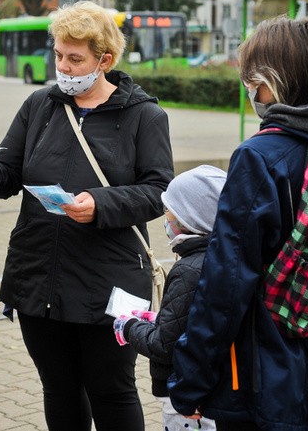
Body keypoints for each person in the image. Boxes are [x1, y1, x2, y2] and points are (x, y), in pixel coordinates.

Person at [0, 0, 174, 430]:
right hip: (40, 275)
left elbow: (159, 191)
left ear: (105, 60)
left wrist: (100, 204)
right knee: (58, 388)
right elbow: (9, 173)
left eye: (75, 58)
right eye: (59, 54)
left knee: (111, 389)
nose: (63, 65)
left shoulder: (144, 116)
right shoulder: (40, 105)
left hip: (109, 282)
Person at [170, 16, 308, 430]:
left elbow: (227, 281)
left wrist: (190, 381)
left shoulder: (260, 157)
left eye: (252, 80)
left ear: (273, 81)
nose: (250, 90)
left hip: (262, 358)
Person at [113, 165, 226, 431]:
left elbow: (165, 345)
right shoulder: (222, 258)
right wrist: (159, 319)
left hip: (186, 395)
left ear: (192, 217)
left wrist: (128, 326)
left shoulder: (188, 269)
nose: (165, 218)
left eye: (170, 211)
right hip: (217, 390)